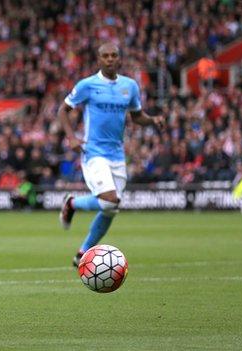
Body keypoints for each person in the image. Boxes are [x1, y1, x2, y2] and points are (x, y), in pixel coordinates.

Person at [57, 43, 165, 266]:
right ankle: (72, 203)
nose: (109, 59)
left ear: (119, 59)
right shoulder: (87, 85)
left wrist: (153, 120)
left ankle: (82, 253)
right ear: (99, 60)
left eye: (114, 55)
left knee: (111, 208)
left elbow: (137, 116)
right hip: (94, 153)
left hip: (117, 155)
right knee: (109, 199)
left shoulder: (129, 86)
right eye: (105, 56)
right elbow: (63, 110)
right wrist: (72, 137)